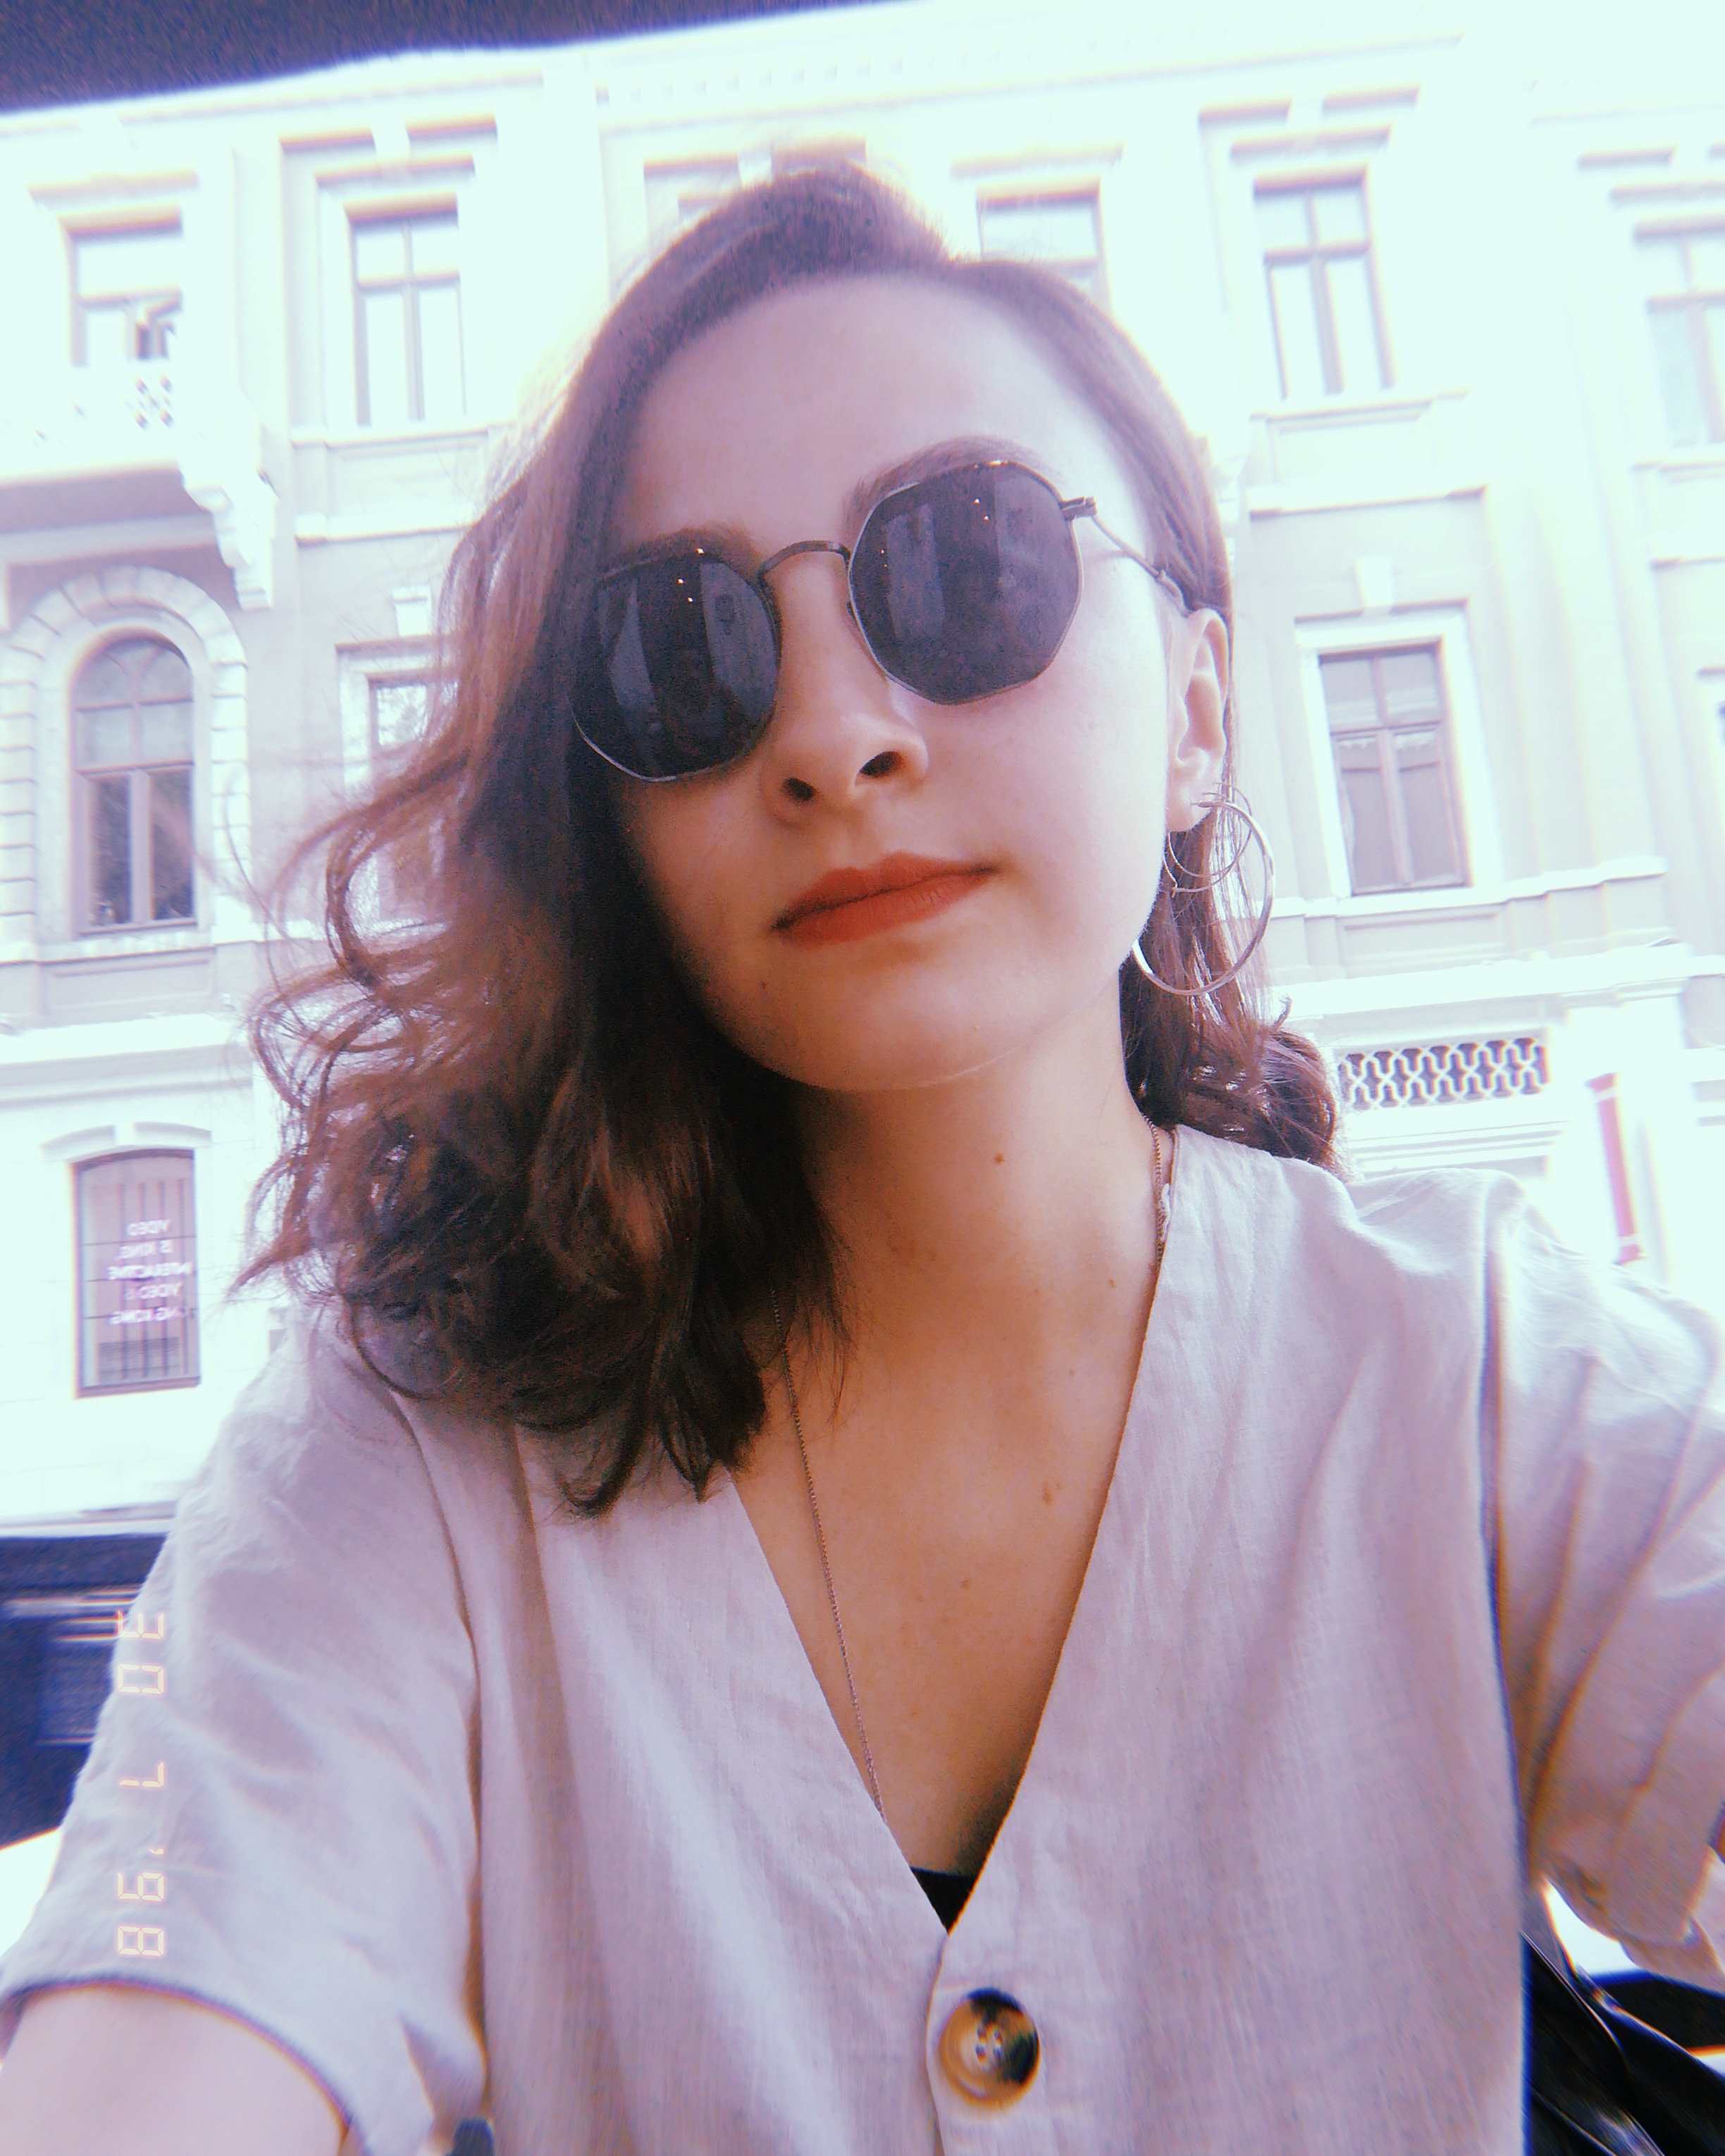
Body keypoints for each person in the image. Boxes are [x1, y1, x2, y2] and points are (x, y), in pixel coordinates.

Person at [0, 165, 1721, 2156]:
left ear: (1195, 712)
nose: (829, 733)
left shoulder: (1486, 1372)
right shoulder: (403, 1454)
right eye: (681, 650)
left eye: (971, 565)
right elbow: (174, 1966)